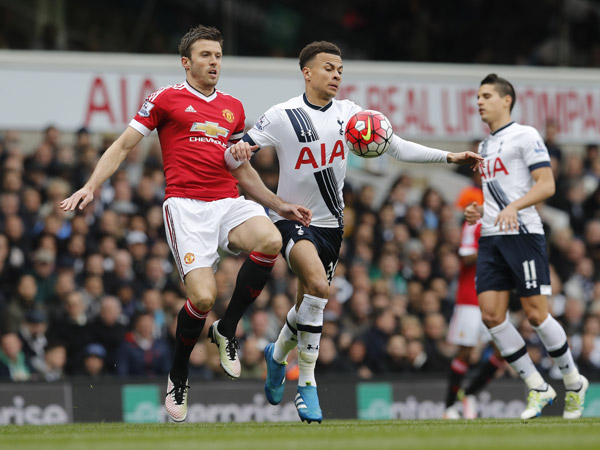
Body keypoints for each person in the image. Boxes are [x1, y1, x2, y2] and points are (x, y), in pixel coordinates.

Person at [60, 25, 311, 423]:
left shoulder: (233, 107)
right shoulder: (166, 99)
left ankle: (226, 331)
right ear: (186, 62)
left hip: (228, 200)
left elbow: (242, 171)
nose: (214, 62)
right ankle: (179, 375)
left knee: (269, 240)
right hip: (187, 208)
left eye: (218, 55)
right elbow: (124, 144)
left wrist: (279, 203)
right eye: (206, 55)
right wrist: (92, 185)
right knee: (204, 298)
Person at [226, 41, 483, 423]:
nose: (336, 75)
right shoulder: (282, 115)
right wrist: (241, 153)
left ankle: (277, 354)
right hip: (293, 219)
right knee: (319, 285)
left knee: (307, 305)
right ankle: (308, 384)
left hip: (332, 227)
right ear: (307, 72)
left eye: (340, 70)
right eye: (328, 68)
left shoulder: (352, 116)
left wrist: (449, 156)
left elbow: (395, 147)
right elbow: (234, 155)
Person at [465, 73, 588, 420]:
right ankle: (537, 386)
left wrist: (514, 207)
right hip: (490, 237)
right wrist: (476, 211)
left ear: (507, 100)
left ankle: (573, 381)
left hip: (522, 233)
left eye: (486, 95)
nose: (479, 101)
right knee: (491, 316)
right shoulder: (485, 146)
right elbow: (496, 195)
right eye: (477, 96)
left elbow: (546, 184)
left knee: (535, 314)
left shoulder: (526, 135)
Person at [443, 218, 504, 419]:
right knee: (465, 353)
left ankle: (468, 394)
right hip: (470, 298)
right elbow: (467, 255)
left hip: (495, 296)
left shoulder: (507, 221)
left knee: (504, 351)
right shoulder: (474, 222)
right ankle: (449, 407)